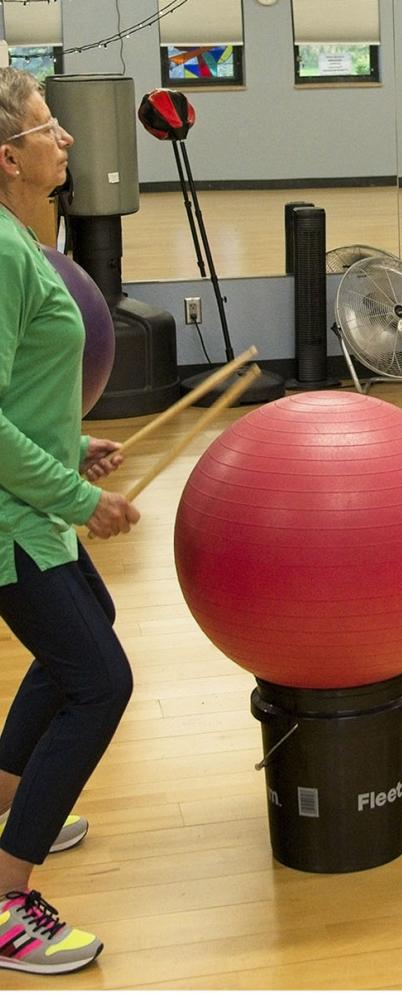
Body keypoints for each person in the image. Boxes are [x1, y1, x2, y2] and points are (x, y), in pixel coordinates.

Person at [0, 67, 140, 976]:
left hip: (32, 507)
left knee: (86, 641)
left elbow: (20, 394)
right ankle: (6, 900)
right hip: (12, 522)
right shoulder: (3, 252)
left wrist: (73, 443)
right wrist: (81, 499)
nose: (67, 138)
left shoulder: (18, 240)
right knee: (100, 682)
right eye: (48, 128)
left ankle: (14, 804)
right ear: (7, 158)